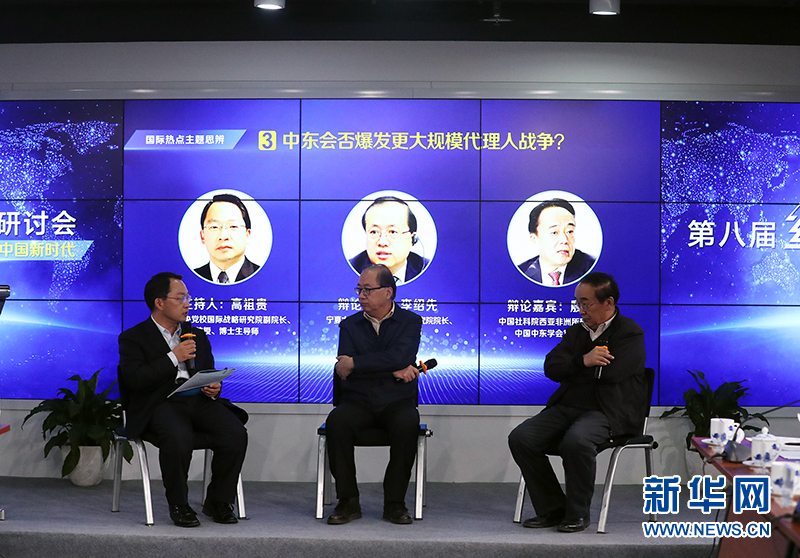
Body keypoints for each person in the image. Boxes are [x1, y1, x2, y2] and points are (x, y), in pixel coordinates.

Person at [508, 272, 647, 533]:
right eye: (578, 303)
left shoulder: (629, 333)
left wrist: (573, 369)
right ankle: (552, 508)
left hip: (608, 412)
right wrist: (584, 360)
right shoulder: (575, 333)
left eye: (586, 303)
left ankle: (577, 514)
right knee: (521, 437)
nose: (581, 310)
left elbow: (612, 374)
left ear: (608, 302)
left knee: (577, 441)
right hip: (567, 407)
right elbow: (551, 367)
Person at [118, 272, 248, 527]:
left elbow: (207, 371)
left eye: (188, 298)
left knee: (235, 433)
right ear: (159, 302)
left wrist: (214, 387)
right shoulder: (133, 338)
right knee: (178, 436)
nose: (187, 304)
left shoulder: (196, 335)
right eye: (180, 298)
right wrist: (173, 357)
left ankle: (218, 501)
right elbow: (136, 380)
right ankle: (179, 504)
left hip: (197, 400)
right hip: (159, 403)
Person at [325, 264, 423, 525]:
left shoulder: (410, 322)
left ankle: (394, 503)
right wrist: (393, 370)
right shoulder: (349, 325)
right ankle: (348, 501)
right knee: (337, 422)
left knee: (407, 423)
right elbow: (344, 370)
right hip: (358, 400)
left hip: (396, 401)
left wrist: (358, 363)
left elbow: (401, 356)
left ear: (388, 292)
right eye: (359, 290)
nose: (361, 296)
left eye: (367, 290)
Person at [349, 196, 430, 285]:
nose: (382, 242)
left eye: (393, 232)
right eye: (374, 232)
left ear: (412, 239)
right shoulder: (351, 268)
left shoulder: (428, 269)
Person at [517, 198, 596, 286]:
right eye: (554, 232)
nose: (564, 240)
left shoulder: (592, 268)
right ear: (534, 239)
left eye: (570, 231)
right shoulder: (521, 272)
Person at [194, 193, 260, 284]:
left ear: (247, 234)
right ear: (202, 236)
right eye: (214, 227)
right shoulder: (189, 278)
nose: (223, 236)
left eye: (233, 226)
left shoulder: (264, 276)